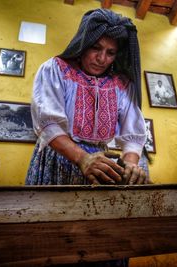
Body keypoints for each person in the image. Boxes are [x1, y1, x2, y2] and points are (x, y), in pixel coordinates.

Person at [25, 8, 149, 266]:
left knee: (104, 244)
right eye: (96, 48)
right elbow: (49, 126)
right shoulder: (55, 69)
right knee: (57, 243)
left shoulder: (122, 84)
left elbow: (133, 135)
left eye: (111, 52)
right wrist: (83, 159)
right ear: (82, 43)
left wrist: (131, 163)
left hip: (102, 169)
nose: (102, 58)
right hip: (59, 163)